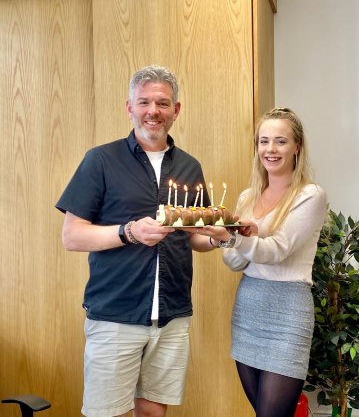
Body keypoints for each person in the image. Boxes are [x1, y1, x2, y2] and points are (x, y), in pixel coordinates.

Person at [55, 65, 233, 417]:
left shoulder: (189, 168)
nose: (154, 111)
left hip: (172, 316)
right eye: (145, 102)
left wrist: (216, 239)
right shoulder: (101, 160)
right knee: (107, 412)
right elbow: (72, 236)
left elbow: (194, 239)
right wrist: (129, 232)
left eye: (163, 103)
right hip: (115, 314)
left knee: (153, 410)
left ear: (176, 110)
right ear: (130, 107)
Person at [219, 107, 327, 416]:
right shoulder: (246, 198)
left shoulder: (310, 195)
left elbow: (277, 250)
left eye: (280, 141)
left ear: (297, 147)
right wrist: (227, 238)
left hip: (288, 311)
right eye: (263, 141)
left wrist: (235, 238)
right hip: (249, 307)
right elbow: (234, 262)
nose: (270, 149)